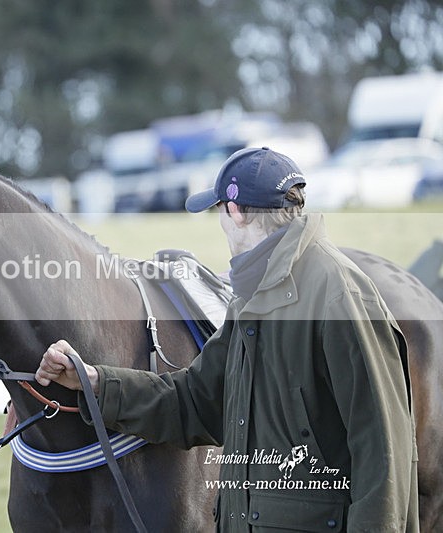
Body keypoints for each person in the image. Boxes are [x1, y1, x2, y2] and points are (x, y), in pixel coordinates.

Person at [36, 147, 419, 532]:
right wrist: (97, 383)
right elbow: (192, 401)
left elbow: (385, 458)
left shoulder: (340, 297)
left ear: (234, 211)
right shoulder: (250, 299)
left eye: (219, 211)